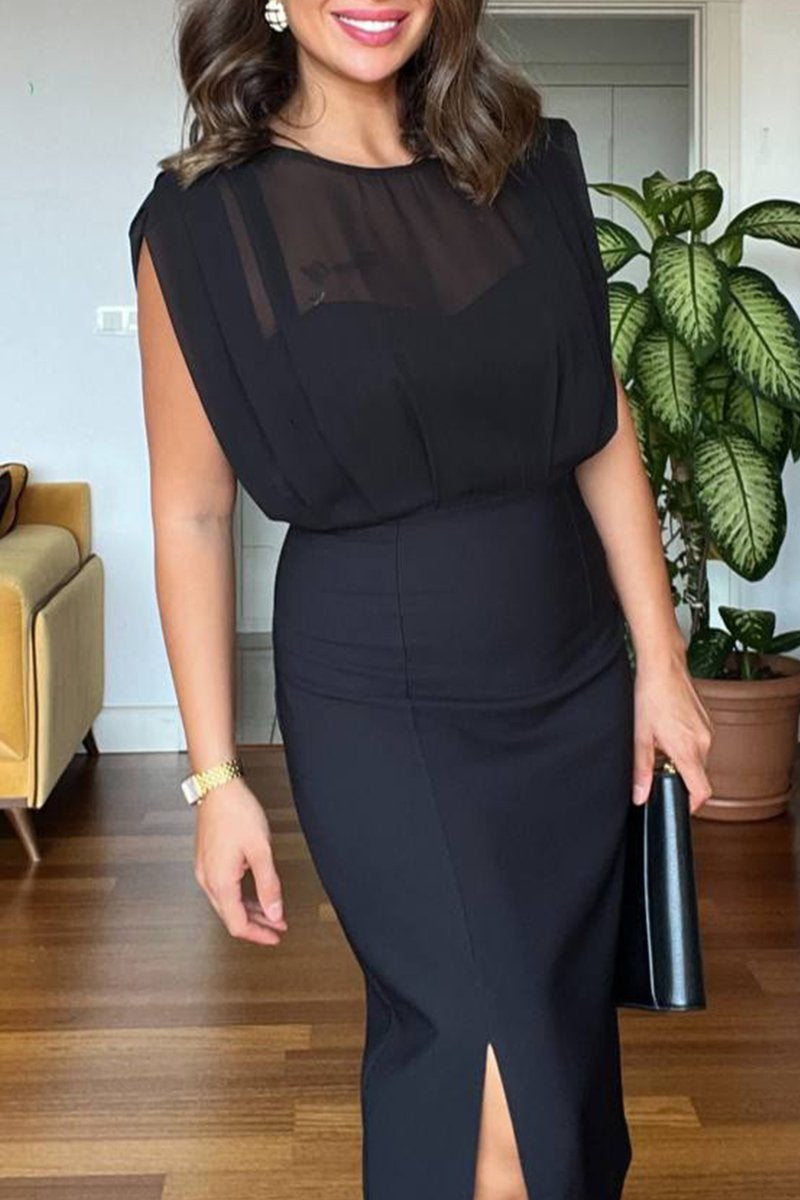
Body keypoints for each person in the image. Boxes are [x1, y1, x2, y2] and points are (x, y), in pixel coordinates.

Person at [129, 0, 713, 1196]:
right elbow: (190, 515)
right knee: (480, 1068)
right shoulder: (201, 221)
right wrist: (214, 781)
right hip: (377, 700)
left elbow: (599, 423)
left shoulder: (528, 164)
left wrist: (659, 661)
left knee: (552, 1054)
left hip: (568, 677)